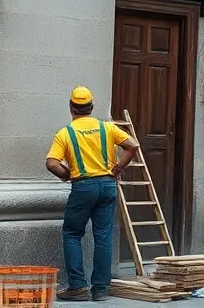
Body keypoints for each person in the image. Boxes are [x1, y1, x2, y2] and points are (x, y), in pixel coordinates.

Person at [46, 87, 140, 301]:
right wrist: (117, 168)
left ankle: (78, 287)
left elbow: (51, 163)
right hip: (107, 186)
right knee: (104, 237)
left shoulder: (65, 133)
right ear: (91, 108)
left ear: (71, 108)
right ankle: (100, 290)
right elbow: (132, 145)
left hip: (83, 187)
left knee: (72, 233)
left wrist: (67, 175)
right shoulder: (107, 128)